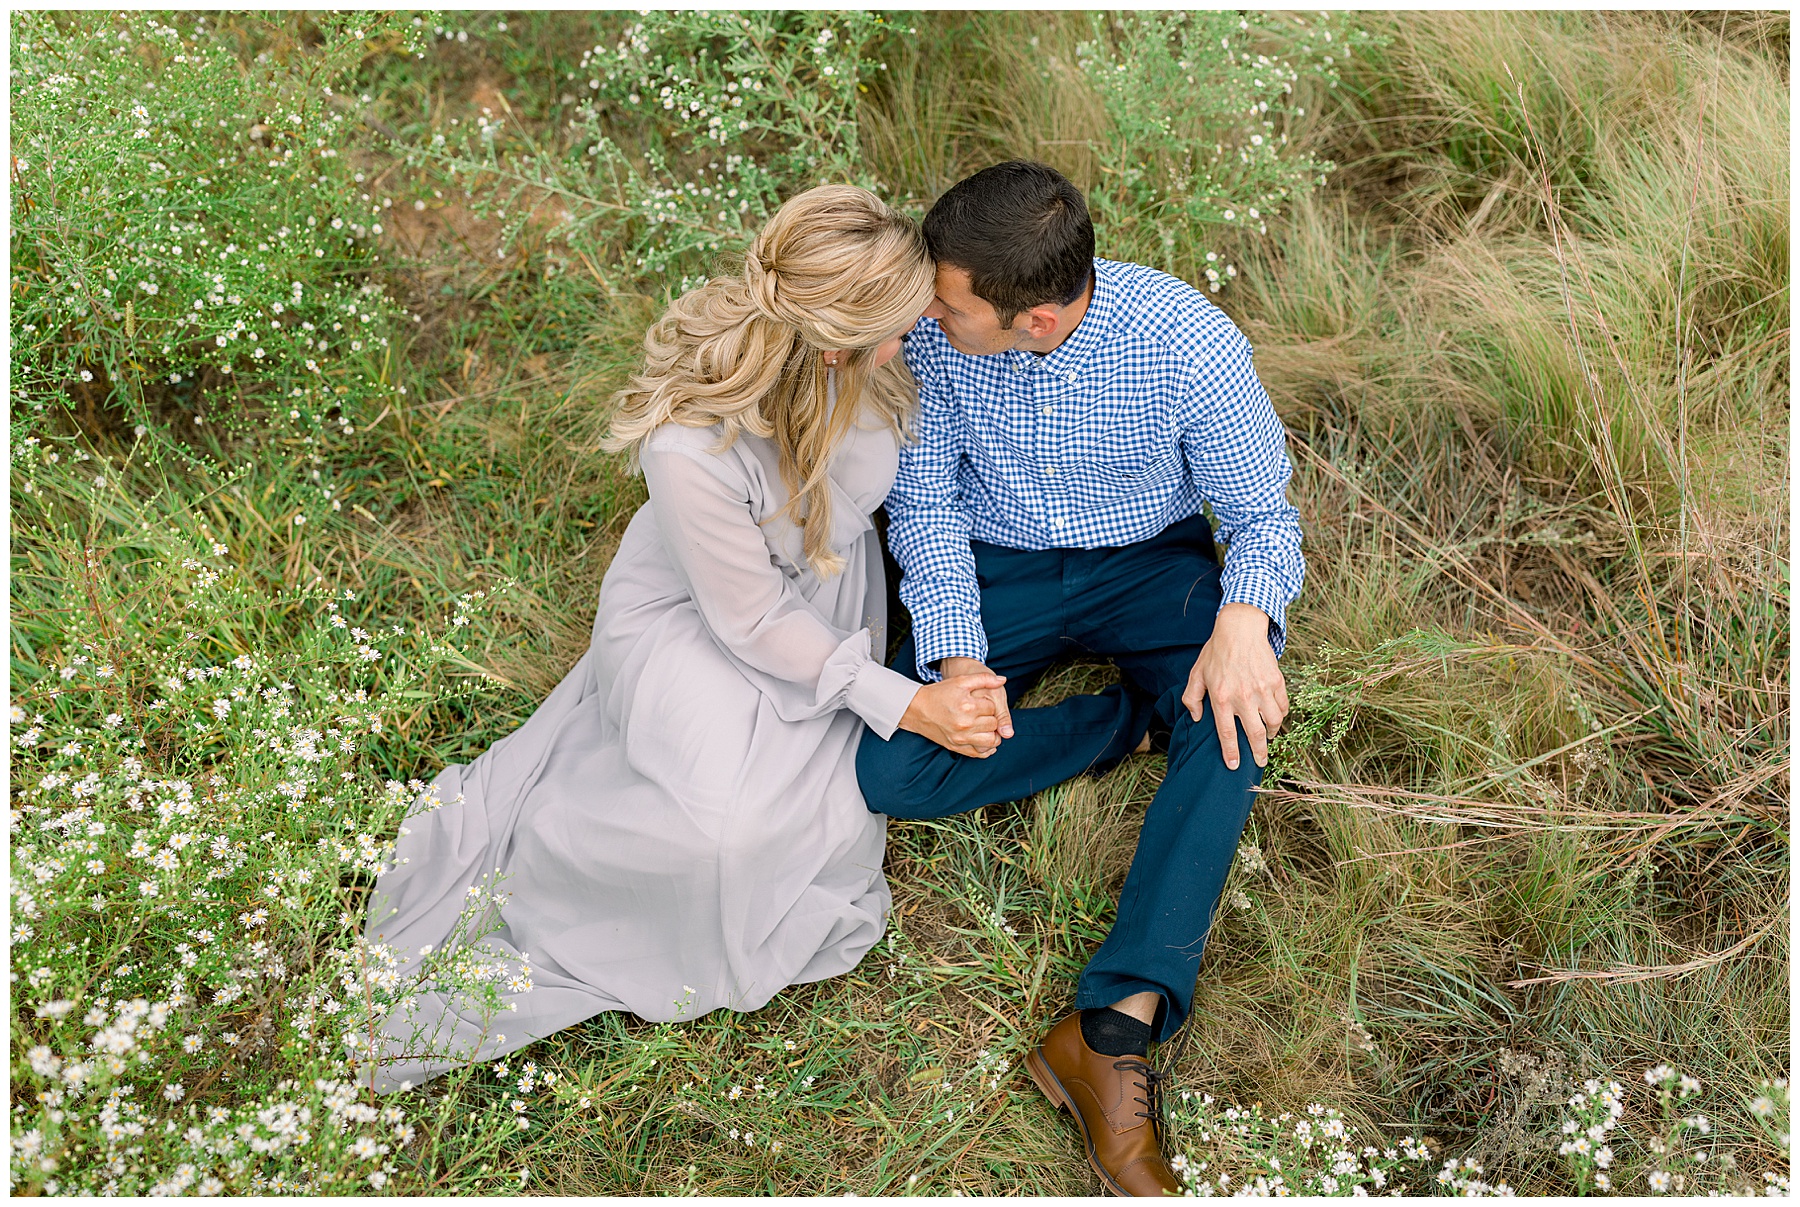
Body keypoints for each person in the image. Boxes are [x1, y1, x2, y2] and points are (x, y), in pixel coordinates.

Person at [358, 184, 1008, 1092]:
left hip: (825, 596)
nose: (921, 335)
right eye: (902, 325)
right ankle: (562, 891)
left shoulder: (884, 360)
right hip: (704, 620)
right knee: (714, 837)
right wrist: (904, 701)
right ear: (833, 344)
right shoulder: (690, 447)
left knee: (788, 823)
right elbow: (748, 619)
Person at [856, 161, 1305, 1196]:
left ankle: (1115, 1025)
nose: (925, 309)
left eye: (949, 301)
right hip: (998, 564)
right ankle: (1130, 723)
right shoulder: (931, 340)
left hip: (1151, 565)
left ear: (1039, 317)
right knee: (895, 774)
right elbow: (923, 509)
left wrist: (1244, 618)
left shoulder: (1187, 344)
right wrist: (961, 656)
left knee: (1239, 705)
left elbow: (1263, 520)